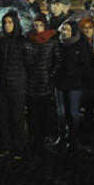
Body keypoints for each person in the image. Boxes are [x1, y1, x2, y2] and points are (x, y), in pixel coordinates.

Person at [25, 13, 61, 153]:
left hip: (45, 83)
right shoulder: (28, 39)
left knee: (45, 112)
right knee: (32, 113)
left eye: (40, 25)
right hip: (31, 82)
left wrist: (50, 75)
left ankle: (43, 138)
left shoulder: (52, 40)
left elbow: (57, 60)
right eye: (36, 25)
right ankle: (33, 137)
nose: (38, 28)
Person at [0, 11, 28, 159]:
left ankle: (18, 147)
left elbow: (28, 63)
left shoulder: (23, 41)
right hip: (1, 85)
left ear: (15, 23)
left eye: (10, 22)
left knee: (17, 117)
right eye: (5, 23)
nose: (7, 25)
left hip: (17, 85)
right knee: (2, 116)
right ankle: (5, 145)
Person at [55, 21, 88, 151]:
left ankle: (73, 137)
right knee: (61, 112)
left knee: (74, 113)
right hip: (60, 83)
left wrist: (74, 73)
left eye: (68, 30)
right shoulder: (58, 44)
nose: (65, 33)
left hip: (74, 84)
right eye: (63, 30)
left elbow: (85, 66)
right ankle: (61, 136)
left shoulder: (81, 45)